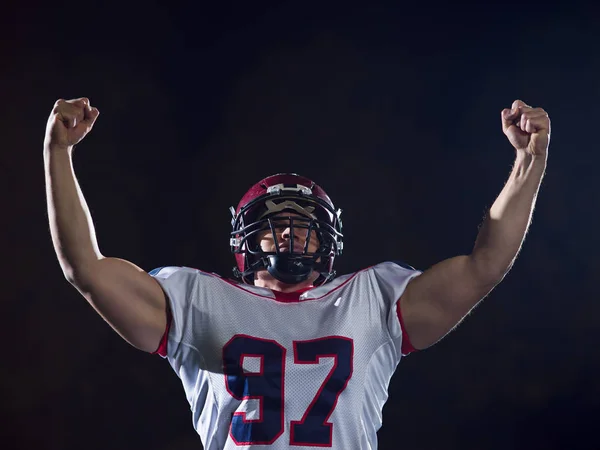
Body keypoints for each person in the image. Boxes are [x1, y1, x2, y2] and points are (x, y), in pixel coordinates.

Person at [44, 97, 550, 449]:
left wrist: (529, 164)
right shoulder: (196, 297)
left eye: (303, 227)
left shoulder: (372, 298)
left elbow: (485, 265)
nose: (289, 237)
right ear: (246, 240)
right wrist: (58, 154)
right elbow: (85, 267)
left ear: (327, 240)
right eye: (275, 227)